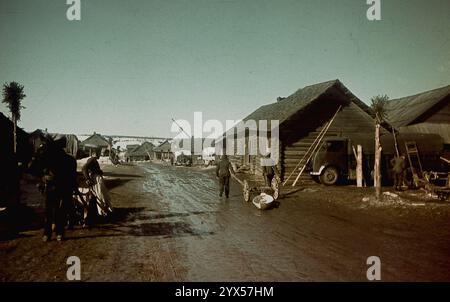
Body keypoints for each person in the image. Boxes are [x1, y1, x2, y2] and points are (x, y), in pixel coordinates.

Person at [82, 150, 113, 217]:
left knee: (103, 194)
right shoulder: (92, 159)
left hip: (97, 178)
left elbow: (93, 169)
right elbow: (84, 168)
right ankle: (102, 211)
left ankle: (104, 210)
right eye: (98, 154)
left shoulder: (94, 160)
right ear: (94, 154)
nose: (99, 155)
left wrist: (99, 171)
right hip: (95, 179)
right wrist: (87, 178)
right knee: (100, 194)